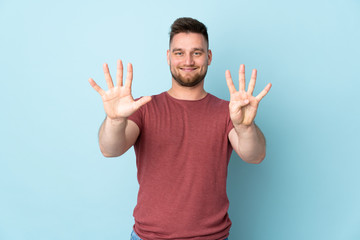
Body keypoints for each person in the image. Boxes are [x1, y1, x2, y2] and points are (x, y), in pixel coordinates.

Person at [89, 17, 271, 240]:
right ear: (168, 57)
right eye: (178, 52)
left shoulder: (230, 112)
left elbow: (255, 155)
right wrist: (115, 120)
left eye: (197, 52)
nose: (188, 60)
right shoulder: (143, 107)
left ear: (209, 57)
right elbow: (110, 149)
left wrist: (245, 127)